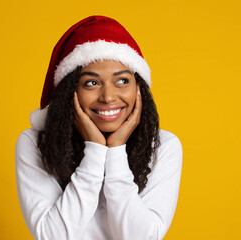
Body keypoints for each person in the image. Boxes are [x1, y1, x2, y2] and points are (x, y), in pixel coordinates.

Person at [15, 16, 183, 240]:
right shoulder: (35, 143)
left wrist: (115, 151)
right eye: (91, 83)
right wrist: (94, 149)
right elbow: (53, 237)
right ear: (70, 91)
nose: (108, 97)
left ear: (138, 88)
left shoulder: (163, 146)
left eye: (122, 81)